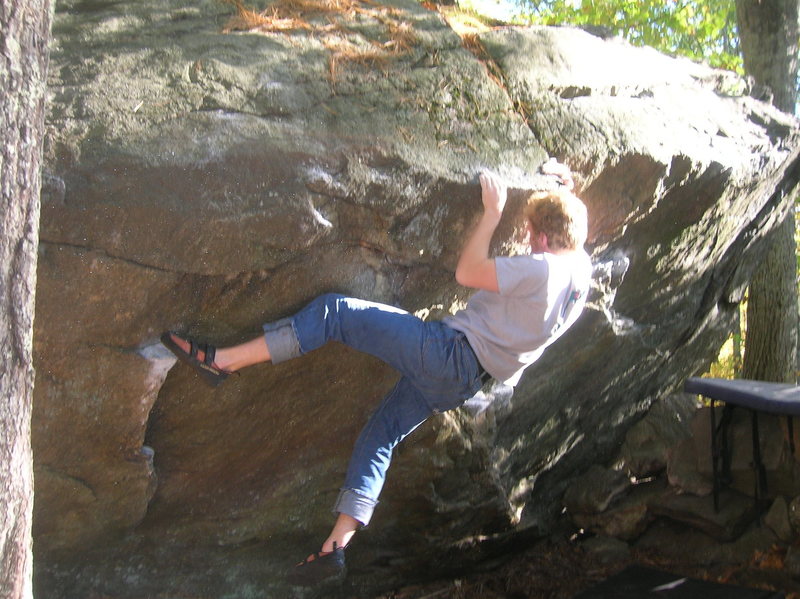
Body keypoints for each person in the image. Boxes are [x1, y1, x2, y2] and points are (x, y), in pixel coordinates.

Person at [160, 161, 592, 585]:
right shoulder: (581, 273)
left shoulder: (544, 268)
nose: (527, 241)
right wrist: (566, 189)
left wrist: (493, 215)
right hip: (464, 383)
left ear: (543, 237)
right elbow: (571, 228)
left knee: (335, 312)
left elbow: (467, 272)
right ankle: (336, 547)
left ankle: (224, 362)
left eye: (531, 236)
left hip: (447, 354)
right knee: (381, 434)